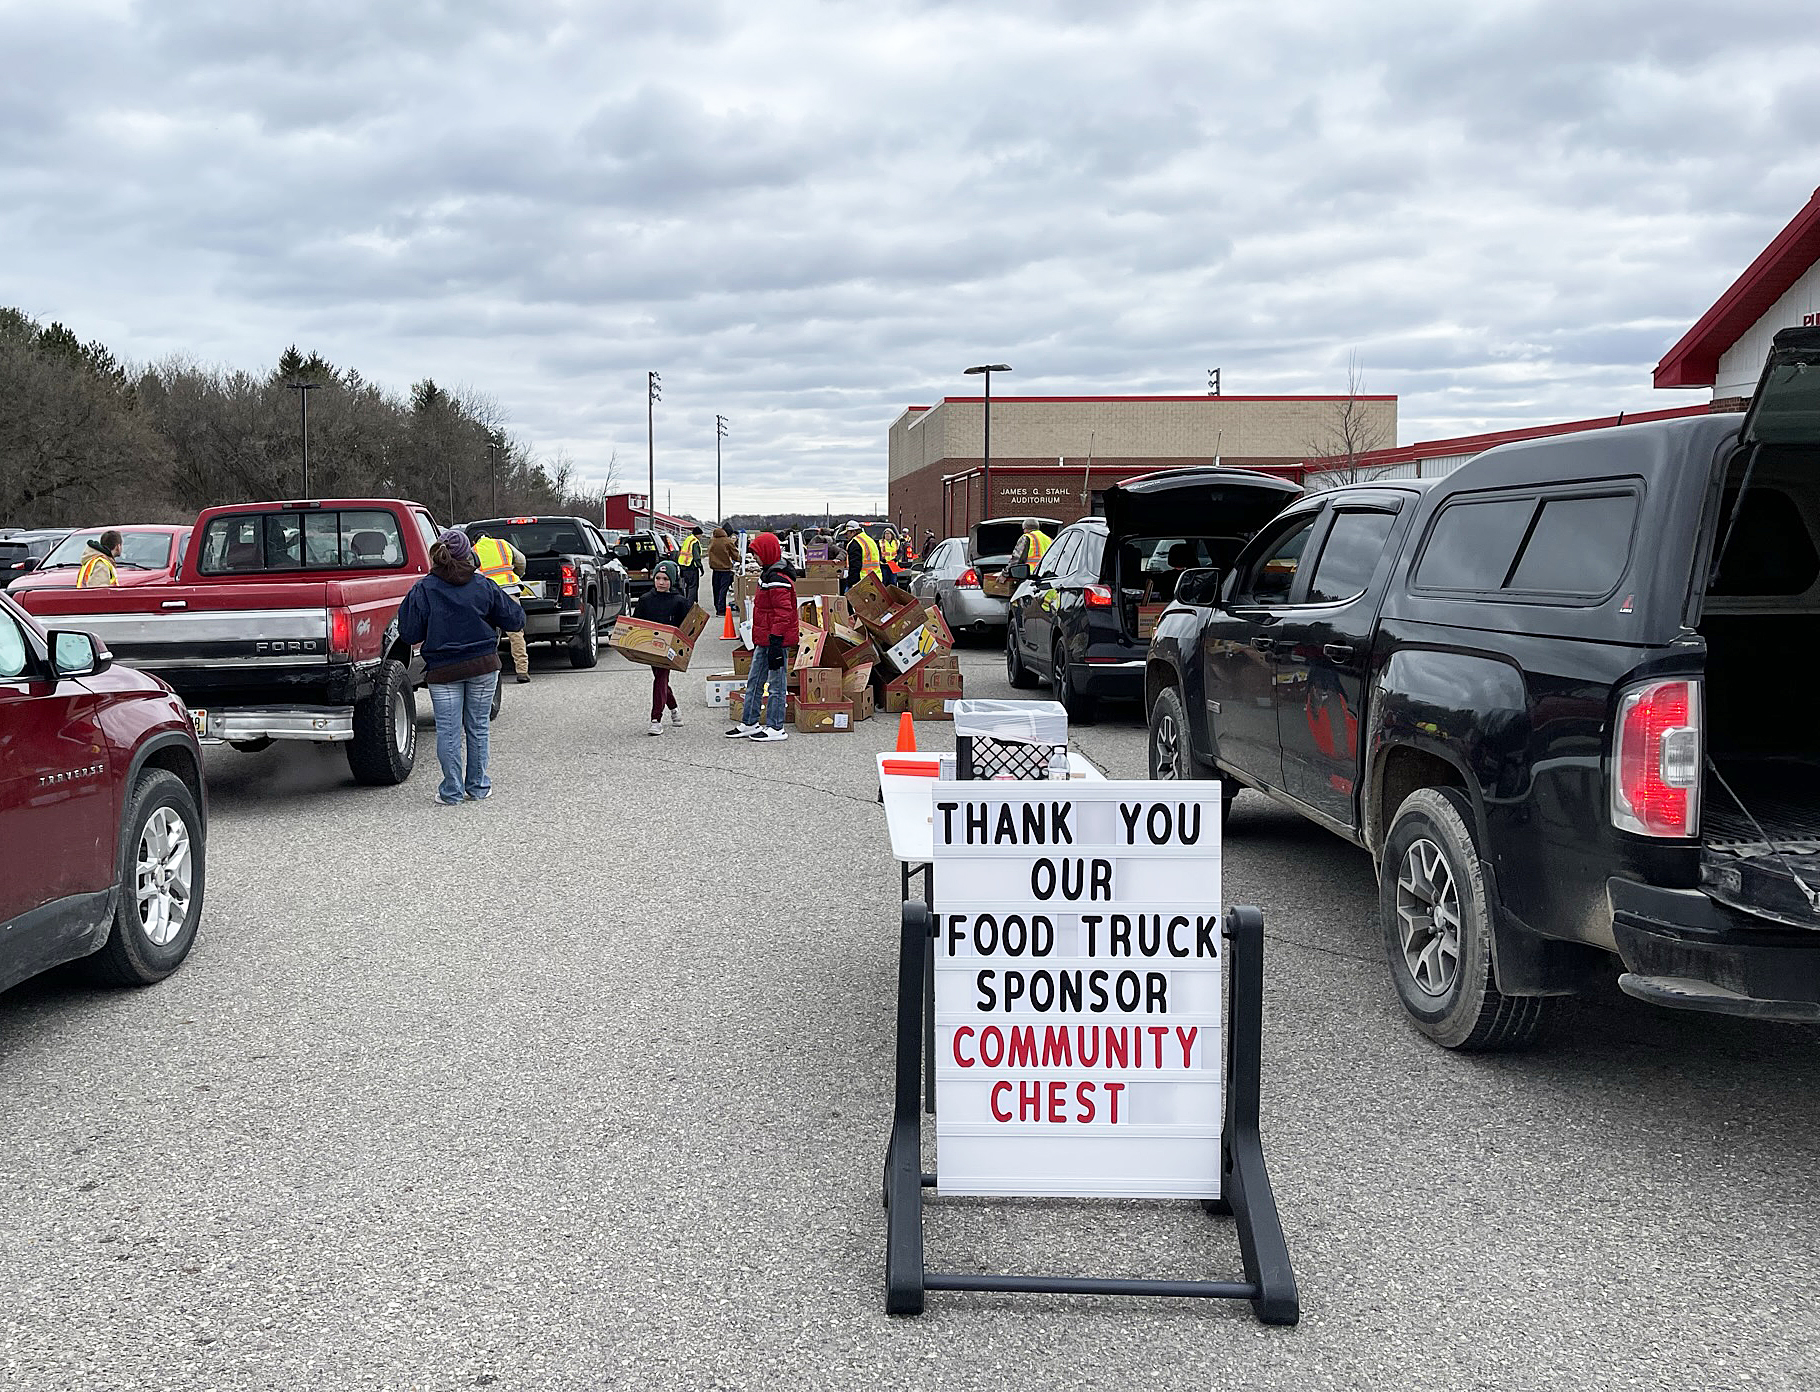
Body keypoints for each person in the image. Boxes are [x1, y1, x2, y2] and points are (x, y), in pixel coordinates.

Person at [397, 529, 525, 806]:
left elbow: (408, 633)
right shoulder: (484, 585)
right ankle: (478, 787)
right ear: (469, 555)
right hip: (483, 666)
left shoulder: (424, 589)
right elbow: (516, 620)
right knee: (478, 727)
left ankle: (451, 791)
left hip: (443, 670)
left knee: (448, 731)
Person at [726, 532, 797, 742]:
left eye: (757, 553)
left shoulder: (778, 580)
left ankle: (776, 727)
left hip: (776, 640)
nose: (754, 558)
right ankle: (749, 722)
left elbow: (784, 613)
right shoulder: (767, 575)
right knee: (754, 680)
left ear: (766, 552)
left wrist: (776, 639)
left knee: (776, 685)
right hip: (764, 638)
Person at [633, 560, 690, 736]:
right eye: (658, 578)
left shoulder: (680, 602)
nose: (661, 582)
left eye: (665, 579)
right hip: (651, 647)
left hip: (670, 649)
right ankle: (674, 709)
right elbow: (636, 623)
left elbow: (687, 629)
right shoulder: (645, 600)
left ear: (672, 581)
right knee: (661, 679)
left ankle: (655, 719)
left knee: (660, 677)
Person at [473, 531, 532, 684]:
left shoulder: (474, 550)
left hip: (487, 593)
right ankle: (522, 671)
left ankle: (491, 670)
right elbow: (521, 561)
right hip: (509, 589)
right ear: (490, 537)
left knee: (488, 631)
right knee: (515, 632)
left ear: (474, 540)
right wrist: (517, 575)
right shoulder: (502, 544)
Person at [841, 519, 883, 593]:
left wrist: (850, 583)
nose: (846, 536)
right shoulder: (870, 540)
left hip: (862, 580)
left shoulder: (855, 543)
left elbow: (855, 566)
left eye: (847, 533)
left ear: (853, 532)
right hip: (876, 578)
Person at [706, 525, 739, 616]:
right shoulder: (727, 541)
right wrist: (742, 560)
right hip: (725, 569)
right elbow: (735, 555)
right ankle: (721, 609)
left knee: (716, 589)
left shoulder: (712, 540)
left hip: (715, 569)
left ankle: (717, 607)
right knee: (723, 590)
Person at [676, 526, 705, 605]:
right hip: (691, 567)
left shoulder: (687, 539)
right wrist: (701, 568)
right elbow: (696, 557)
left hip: (683, 567)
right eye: (701, 535)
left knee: (687, 586)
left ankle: (687, 604)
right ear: (698, 534)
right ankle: (691, 606)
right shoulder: (694, 541)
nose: (701, 537)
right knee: (693, 587)